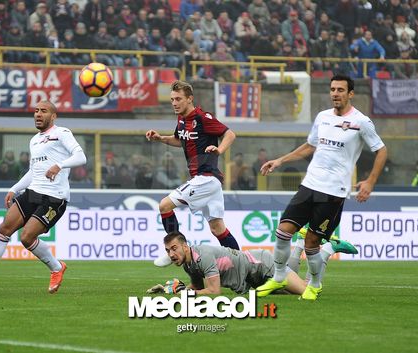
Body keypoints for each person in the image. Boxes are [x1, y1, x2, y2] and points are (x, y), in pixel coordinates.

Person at [256, 75, 387, 300]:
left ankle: (314, 284)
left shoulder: (361, 121)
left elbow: (381, 150)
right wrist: (280, 161)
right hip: (309, 185)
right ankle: (279, 277)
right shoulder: (323, 117)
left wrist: (370, 181)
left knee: (311, 243)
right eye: (333, 89)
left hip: (333, 192)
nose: (335, 93)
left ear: (350, 94)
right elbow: (309, 146)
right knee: (283, 232)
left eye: (340, 90)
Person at [0, 101, 87, 294]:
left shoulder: (62, 133)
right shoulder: (34, 140)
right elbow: (33, 171)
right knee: (4, 229)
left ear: (53, 116)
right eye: (36, 111)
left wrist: (59, 165)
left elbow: (81, 157)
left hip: (54, 198)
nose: (38, 114)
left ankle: (57, 268)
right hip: (33, 192)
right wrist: (15, 188)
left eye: (43, 111)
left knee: (27, 238)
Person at [145, 80, 240, 267]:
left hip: (206, 177)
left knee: (164, 206)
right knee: (217, 228)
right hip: (208, 182)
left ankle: (172, 248)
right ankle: (244, 265)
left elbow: (230, 134)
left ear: (190, 99)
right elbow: (179, 140)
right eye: (172, 99)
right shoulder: (181, 119)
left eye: (178, 99)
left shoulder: (203, 117)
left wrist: (219, 150)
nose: (174, 103)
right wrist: (160, 138)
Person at [149, 231, 305, 295]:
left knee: (305, 291)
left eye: (174, 248)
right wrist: (168, 290)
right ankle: (299, 245)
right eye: (168, 250)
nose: (171, 254)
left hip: (261, 265)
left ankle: (307, 246)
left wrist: (186, 294)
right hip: (254, 280)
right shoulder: (188, 265)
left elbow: (214, 291)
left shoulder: (203, 256)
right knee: (292, 294)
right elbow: (198, 288)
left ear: (185, 246)